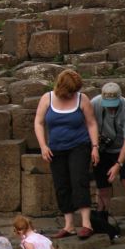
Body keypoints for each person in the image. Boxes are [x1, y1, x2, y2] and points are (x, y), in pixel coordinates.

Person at [34, 69, 99, 239]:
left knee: (79, 180)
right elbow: (39, 122)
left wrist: (95, 147)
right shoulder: (46, 98)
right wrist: (43, 145)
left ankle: (86, 223)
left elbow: (91, 123)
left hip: (79, 145)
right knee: (61, 184)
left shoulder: (82, 99)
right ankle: (69, 225)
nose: (72, 94)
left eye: (74, 91)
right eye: (70, 91)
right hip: (56, 148)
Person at [91, 82, 125, 232]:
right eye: (107, 104)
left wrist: (118, 165)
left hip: (124, 147)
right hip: (102, 149)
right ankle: (102, 221)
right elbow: (89, 125)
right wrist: (94, 147)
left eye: (113, 104)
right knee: (103, 187)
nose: (111, 107)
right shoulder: (94, 104)